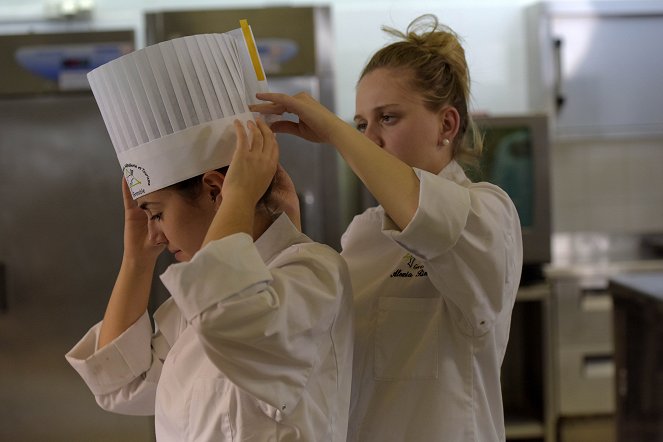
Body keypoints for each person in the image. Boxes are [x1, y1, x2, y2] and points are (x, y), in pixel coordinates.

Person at [66, 31, 353, 442]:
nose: (158, 235)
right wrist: (136, 258)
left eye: (159, 214)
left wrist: (239, 197)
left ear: (217, 190)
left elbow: (232, 319)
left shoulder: (312, 272)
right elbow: (120, 386)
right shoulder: (200, 295)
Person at [251, 14, 523, 442]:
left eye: (388, 118)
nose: (370, 138)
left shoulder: (487, 213)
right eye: (361, 124)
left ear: (446, 125)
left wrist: (338, 132)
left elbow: (429, 217)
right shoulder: (363, 234)